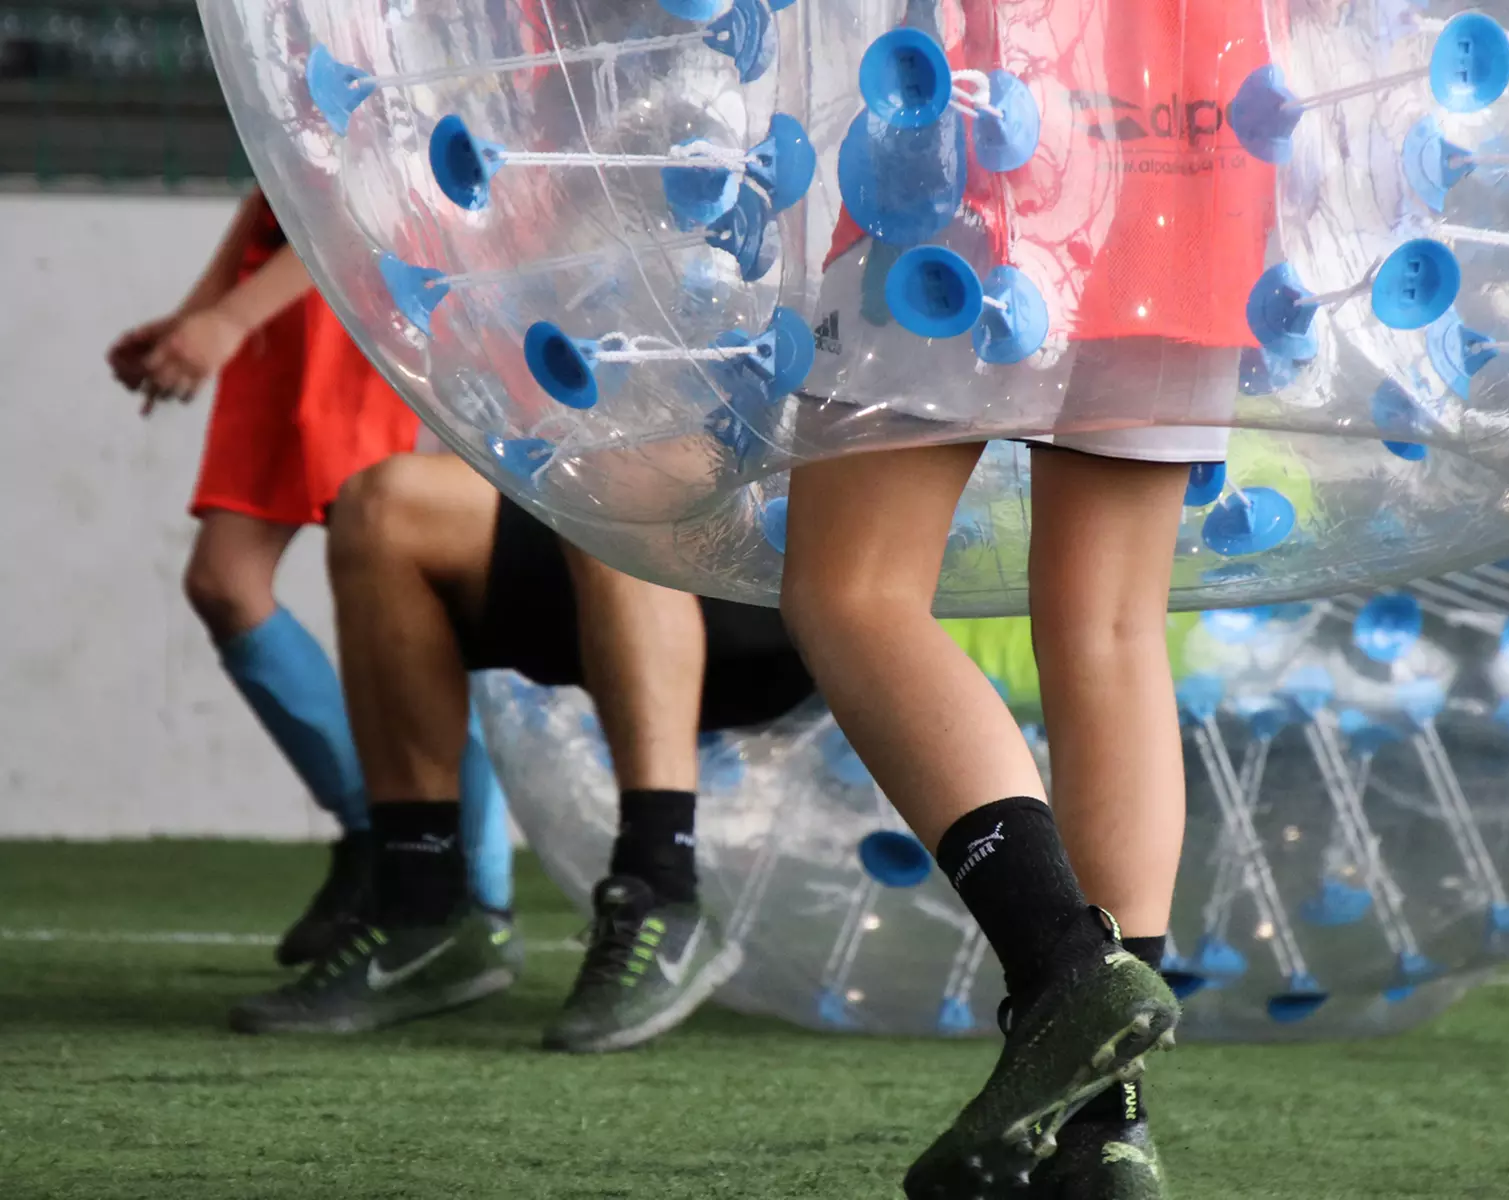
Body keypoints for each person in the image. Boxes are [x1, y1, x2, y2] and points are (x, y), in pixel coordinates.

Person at [777, 8, 1270, 1196]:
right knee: (1110, 624)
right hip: (1201, 141)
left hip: (984, 126)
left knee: (853, 590)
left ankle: (1062, 961)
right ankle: (1106, 1130)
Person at [227, 453, 817, 1052]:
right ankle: (420, 901)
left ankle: (659, 886)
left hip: (785, 572)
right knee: (381, 505)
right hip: (601, 540)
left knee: (623, 474)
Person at [106, 190, 514, 965]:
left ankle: (479, 892)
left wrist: (227, 319)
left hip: (368, 299)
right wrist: (201, 314)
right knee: (224, 581)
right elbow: (279, 181)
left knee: (418, 599)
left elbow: (372, 199)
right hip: (286, 314)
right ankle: (376, 836)